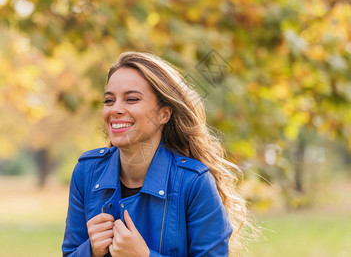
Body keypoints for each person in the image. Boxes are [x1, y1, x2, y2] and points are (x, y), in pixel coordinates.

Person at [62, 51, 248, 257]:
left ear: (164, 114)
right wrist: (91, 250)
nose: (115, 109)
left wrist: (143, 256)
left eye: (131, 99)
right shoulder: (87, 172)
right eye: (109, 100)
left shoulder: (194, 182)